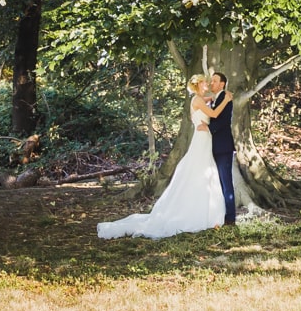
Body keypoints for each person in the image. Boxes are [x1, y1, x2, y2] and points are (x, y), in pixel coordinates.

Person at [96, 75, 226, 239]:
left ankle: (208, 211)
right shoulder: (197, 100)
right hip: (201, 140)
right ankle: (196, 212)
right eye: (204, 82)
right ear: (198, 84)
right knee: (199, 170)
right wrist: (226, 100)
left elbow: (209, 100)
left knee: (205, 170)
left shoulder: (200, 98)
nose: (207, 84)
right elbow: (214, 114)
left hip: (205, 139)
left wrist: (216, 96)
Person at [203, 70, 237, 225]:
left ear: (222, 84)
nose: (212, 83)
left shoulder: (225, 97)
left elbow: (224, 121)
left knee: (226, 182)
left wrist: (208, 128)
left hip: (223, 147)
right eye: (211, 81)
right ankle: (219, 214)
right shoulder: (217, 98)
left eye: (214, 81)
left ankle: (230, 218)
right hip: (214, 146)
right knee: (217, 182)